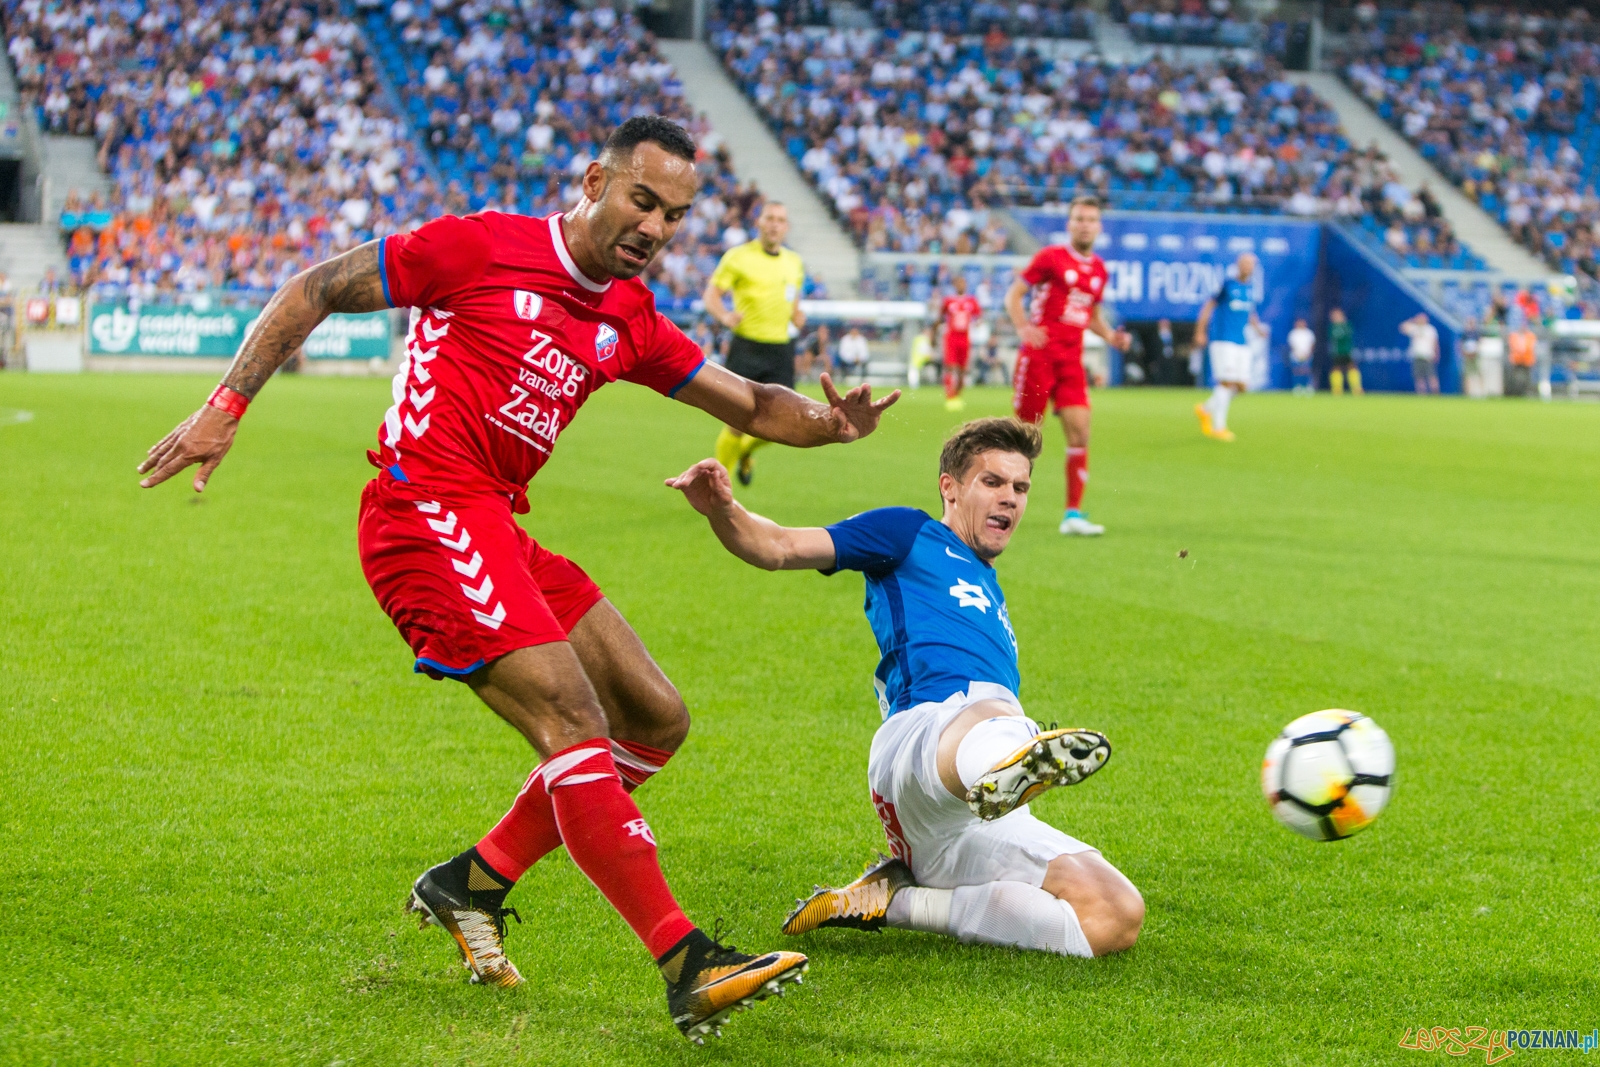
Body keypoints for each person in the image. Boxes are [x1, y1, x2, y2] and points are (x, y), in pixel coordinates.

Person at [136, 116, 901, 1045]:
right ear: (594, 181)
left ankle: (474, 880)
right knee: (574, 720)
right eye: (643, 200)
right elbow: (316, 286)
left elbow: (744, 400)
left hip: (497, 522)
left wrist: (830, 426)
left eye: (675, 215)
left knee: (655, 719)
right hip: (422, 513)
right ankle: (685, 961)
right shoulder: (479, 246)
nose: (656, 227)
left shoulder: (629, 316)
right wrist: (226, 406)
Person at [665, 418, 1143, 959]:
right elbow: (777, 546)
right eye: (992, 482)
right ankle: (1008, 760)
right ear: (950, 487)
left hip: (957, 821)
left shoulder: (989, 585)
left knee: (1114, 916)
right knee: (990, 706)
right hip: (923, 744)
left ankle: (893, 900)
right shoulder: (909, 533)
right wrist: (724, 510)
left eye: (1021, 487)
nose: (1009, 499)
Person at [1003, 196, 1131, 537]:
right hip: (1040, 356)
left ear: (1099, 226)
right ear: (1069, 224)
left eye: (1091, 219)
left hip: (1071, 361)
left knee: (1081, 431)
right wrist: (1023, 328)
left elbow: (1091, 316)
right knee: (1024, 436)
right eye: (1079, 218)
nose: (1085, 224)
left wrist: (1110, 337)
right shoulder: (1051, 258)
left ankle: (1073, 514)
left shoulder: (1099, 269)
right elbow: (1014, 294)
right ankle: (996, 504)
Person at [703, 201, 807, 487]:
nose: (775, 224)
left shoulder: (794, 262)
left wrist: (797, 315)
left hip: (780, 349)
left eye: (780, 220)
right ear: (759, 223)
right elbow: (711, 295)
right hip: (746, 347)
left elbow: (792, 302)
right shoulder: (738, 257)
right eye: (770, 218)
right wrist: (724, 315)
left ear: (786, 227)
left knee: (786, 424)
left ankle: (747, 451)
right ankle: (717, 485)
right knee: (736, 423)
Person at [1192, 252, 1261, 442]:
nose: (1248, 267)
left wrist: (1257, 327)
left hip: (1241, 340)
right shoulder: (1228, 285)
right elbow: (1208, 306)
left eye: (1251, 264)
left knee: (1242, 386)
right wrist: (1200, 331)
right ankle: (1219, 427)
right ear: (1238, 265)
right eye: (1245, 263)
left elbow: (1250, 312)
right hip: (1223, 340)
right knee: (1226, 382)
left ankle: (1205, 409)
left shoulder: (1251, 288)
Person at [933, 273, 983, 411]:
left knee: (962, 370)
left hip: (965, 338)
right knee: (950, 366)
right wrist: (933, 334)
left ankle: (958, 395)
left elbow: (979, 316)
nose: (961, 285)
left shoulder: (971, 301)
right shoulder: (949, 301)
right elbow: (940, 317)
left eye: (963, 283)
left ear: (966, 285)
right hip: (951, 337)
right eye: (958, 283)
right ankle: (950, 396)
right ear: (955, 285)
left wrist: (979, 323)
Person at [1400, 312, 1440, 394]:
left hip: (1428, 356)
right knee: (1418, 376)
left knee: (1431, 375)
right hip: (1417, 355)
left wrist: (1436, 354)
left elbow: (1435, 343)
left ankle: (1435, 393)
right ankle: (1422, 393)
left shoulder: (1430, 329)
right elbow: (1402, 327)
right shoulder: (1415, 328)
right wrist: (1413, 320)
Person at [1328, 307, 1360, 395]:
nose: (1335, 317)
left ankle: (1356, 388)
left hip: (1347, 351)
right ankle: (1337, 389)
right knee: (1336, 368)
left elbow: (1347, 335)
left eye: (1337, 315)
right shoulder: (1333, 327)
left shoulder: (1347, 325)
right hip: (1337, 351)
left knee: (1352, 367)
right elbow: (1334, 336)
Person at [1288, 317, 1315, 394]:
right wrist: (1298, 354)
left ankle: (1308, 387)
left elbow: (1312, 345)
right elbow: (1292, 345)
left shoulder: (1309, 333)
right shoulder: (1293, 333)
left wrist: (1307, 354)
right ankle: (1297, 387)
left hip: (1307, 356)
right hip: (1296, 356)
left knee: (1307, 371)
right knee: (1297, 371)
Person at [907, 323, 933, 389]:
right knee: (914, 372)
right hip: (921, 359)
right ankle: (915, 386)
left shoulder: (917, 338)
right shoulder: (924, 339)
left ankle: (914, 386)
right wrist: (929, 356)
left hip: (916, 358)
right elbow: (925, 350)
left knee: (913, 372)